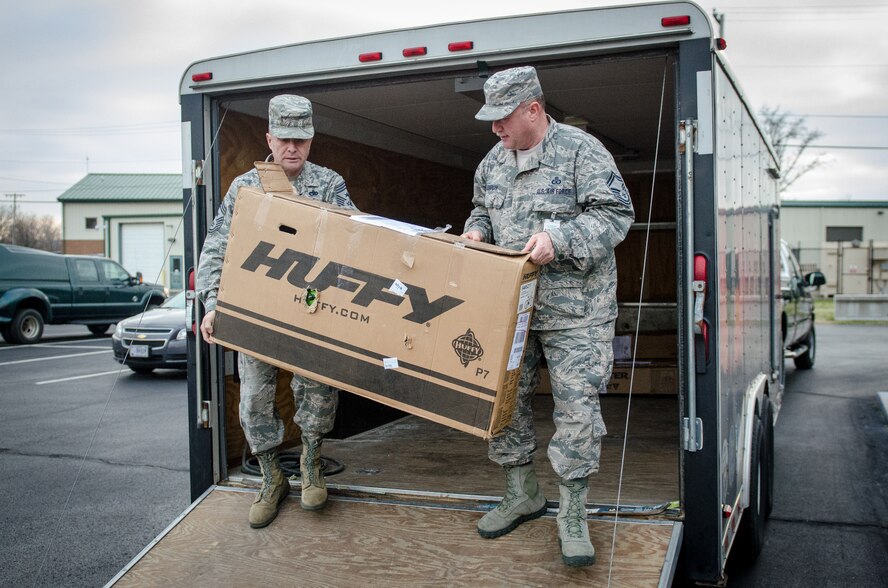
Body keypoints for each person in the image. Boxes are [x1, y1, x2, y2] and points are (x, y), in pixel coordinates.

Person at [461, 66, 634, 567]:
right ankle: (522, 493)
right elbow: (479, 210)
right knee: (504, 404)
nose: (495, 129)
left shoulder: (582, 151)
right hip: (513, 309)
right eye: (490, 119)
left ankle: (573, 512)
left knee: (577, 411)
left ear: (533, 109)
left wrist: (558, 240)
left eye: (503, 118)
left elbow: (615, 215)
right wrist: (476, 234)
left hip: (576, 311)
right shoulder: (492, 162)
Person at [197, 94, 356, 529]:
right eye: (284, 138)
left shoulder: (329, 184)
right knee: (253, 401)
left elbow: (359, 242)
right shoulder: (245, 187)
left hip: (311, 310)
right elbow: (216, 250)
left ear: (311, 140)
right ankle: (271, 478)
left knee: (318, 394)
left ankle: (310, 465)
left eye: (301, 140)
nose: (292, 148)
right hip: (255, 310)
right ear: (269, 137)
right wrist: (213, 306)